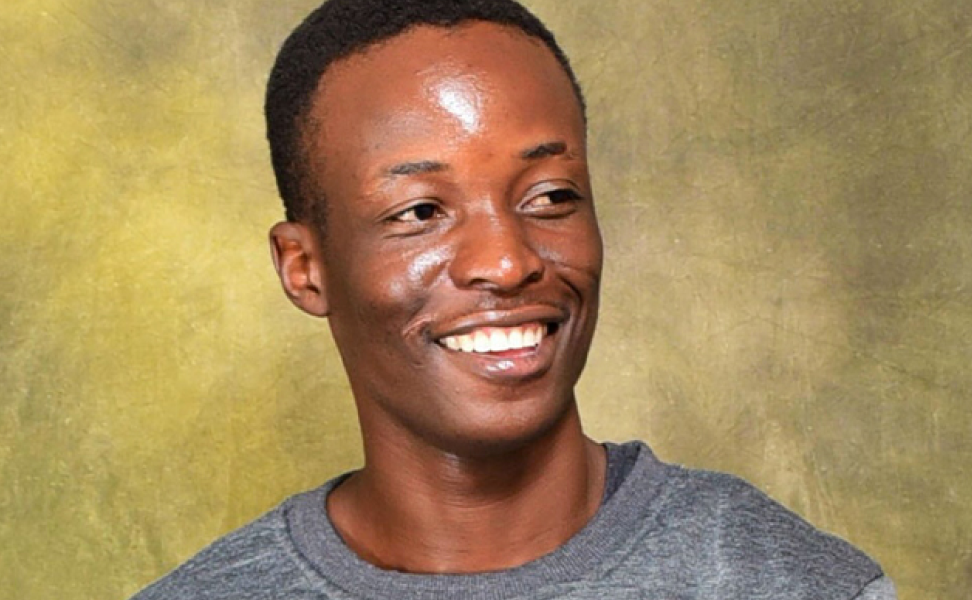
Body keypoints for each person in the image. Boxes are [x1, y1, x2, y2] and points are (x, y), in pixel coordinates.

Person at [132, 0, 895, 598]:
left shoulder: (788, 583)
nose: (506, 261)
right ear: (305, 269)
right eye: (420, 212)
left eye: (550, 196)